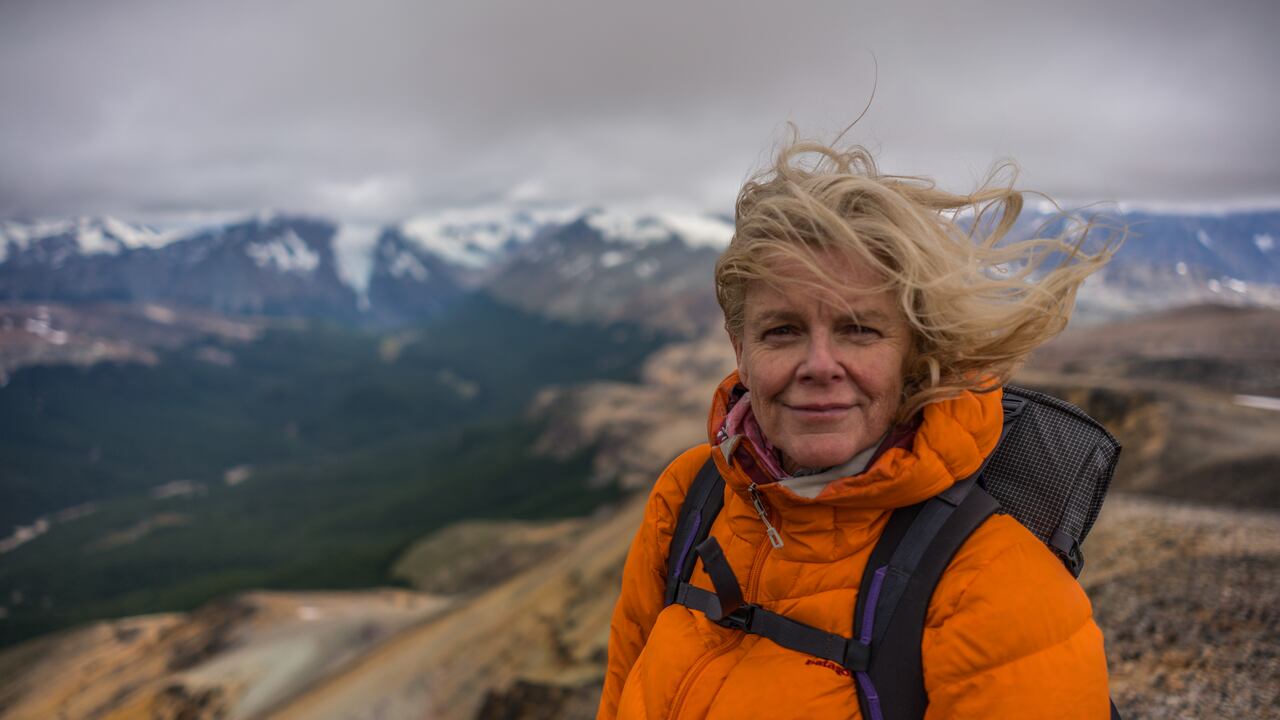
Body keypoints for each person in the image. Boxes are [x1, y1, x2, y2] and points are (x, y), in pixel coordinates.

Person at [597, 135, 1117, 719]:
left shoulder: (997, 592)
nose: (820, 365)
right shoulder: (692, 495)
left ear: (914, 352)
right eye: (783, 331)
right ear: (739, 349)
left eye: (859, 330)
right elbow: (621, 690)